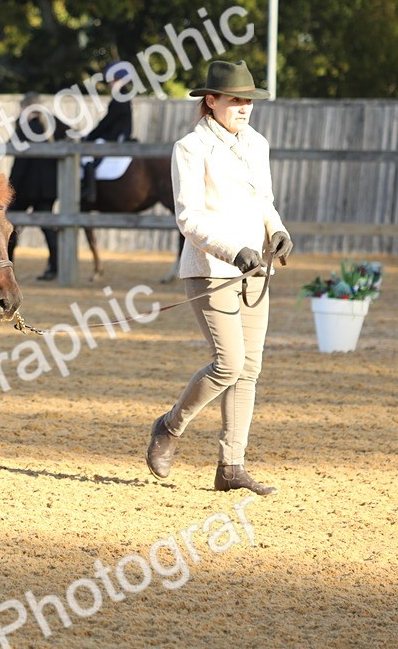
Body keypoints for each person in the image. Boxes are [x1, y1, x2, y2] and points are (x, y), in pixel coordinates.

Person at [145, 60, 292, 496]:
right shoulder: (190, 148)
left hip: (255, 269)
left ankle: (231, 465)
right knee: (228, 363)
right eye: (235, 100)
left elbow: (264, 201)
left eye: (248, 100)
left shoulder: (257, 144)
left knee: (249, 369)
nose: (244, 108)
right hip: (211, 269)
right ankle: (170, 427)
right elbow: (189, 218)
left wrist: (278, 230)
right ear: (211, 101)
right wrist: (234, 250)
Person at [7, 93, 60, 280]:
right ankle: (56, 268)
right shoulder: (49, 126)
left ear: (25, 108)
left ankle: (7, 268)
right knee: (48, 227)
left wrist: (10, 186)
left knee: (9, 225)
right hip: (48, 188)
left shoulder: (25, 128)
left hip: (27, 188)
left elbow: (21, 162)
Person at [82, 62, 134, 205]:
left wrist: (90, 136)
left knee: (87, 156)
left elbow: (107, 122)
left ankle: (89, 190)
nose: (111, 83)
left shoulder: (121, 97)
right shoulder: (120, 96)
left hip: (115, 137)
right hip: (115, 135)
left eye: (114, 80)